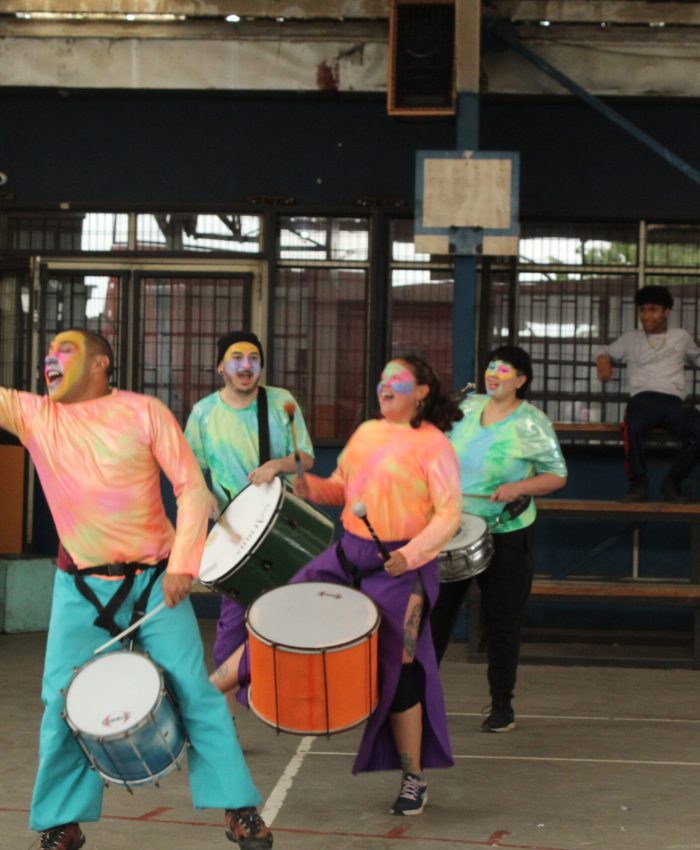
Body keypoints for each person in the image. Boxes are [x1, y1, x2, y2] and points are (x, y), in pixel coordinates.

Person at [0, 329, 272, 850]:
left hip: (153, 581)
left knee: (197, 693)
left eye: (66, 350)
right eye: (47, 355)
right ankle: (63, 822)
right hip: (79, 587)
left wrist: (184, 564)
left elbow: (191, 487)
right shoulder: (35, 416)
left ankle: (239, 810)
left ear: (102, 362)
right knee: (61, 700)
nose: (50, 361)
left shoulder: (145, 412)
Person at [210, 354, 463, 816]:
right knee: (277, 614)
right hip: (347, 553)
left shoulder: (434, 446)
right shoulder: (367, 433)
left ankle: (414, 778)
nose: (384, 385)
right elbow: (343, 488)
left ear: (422, 391)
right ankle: (205, 699)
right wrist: (312, 489)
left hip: (401, 568)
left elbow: (449, 515)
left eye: (397, 380)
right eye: (382, 377)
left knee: (400, 669)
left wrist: (411, 553)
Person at [431, 345, 567, 733]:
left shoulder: (532, 422)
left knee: (503, 620)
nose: (493, 374)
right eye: (490, 366)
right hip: (455, 527)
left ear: (521, 380)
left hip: (507, 531)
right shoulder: (467, 407)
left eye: (504, 370)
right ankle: (419, 697)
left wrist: (520, 486)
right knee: (437, 616)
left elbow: (556, 476)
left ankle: (502, 706)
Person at [185, 330, 313, 689]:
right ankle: (225, 727)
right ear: (220, 367)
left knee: (286, 620)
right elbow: (189, 470)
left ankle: (282, 701)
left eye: (253, 358)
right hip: (235, 536)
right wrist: (202, 495)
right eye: (236, 358)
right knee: (231, 627)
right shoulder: (204, 413)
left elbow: (306, 456)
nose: (245, 365)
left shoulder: (280, 402)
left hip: (283, 528)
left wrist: (277, 464)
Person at [596, 284, 700, 503]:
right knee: (632, 427)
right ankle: (638, 485)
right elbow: (604, 351)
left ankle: (673, 482)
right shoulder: (630, 338)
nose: (646, 316)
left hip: (674, 402)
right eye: (642, 310)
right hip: (642, 399)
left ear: (667, 312)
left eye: (653, 310)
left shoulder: (681, 337)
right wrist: (603, 363)